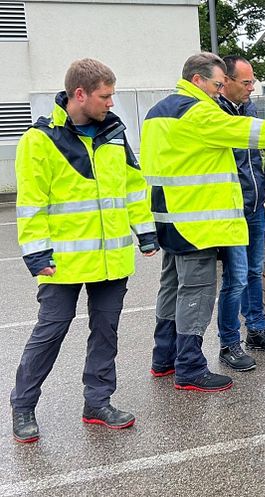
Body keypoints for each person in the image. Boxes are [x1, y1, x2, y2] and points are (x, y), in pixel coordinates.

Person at [140, 53, 265, 392]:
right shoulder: (198, 110)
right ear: (198, 81)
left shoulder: (157, 113)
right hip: (197, 223)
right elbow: (249, 132)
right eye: (217, 84)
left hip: (169, 217)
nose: (220, 92)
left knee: (171, 288)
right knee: (196, 293)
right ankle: (189, 367)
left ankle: (163, 359)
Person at [11, 58, 158, 443]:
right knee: (50, 332)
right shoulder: (40, 140)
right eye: (105, 96)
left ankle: (97, 402)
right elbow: (31, 204)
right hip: (63, 263)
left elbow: (132, 187)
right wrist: (38, 255)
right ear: (80, 94)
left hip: (112, 260)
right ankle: (23, 406)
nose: (111, 103)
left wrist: (145, 233)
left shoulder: (113, 134)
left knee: (105, 332)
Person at [215, 55, 265, 372]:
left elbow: (258, 154)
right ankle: (229, 344)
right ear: (226, 82)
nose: (252, 87)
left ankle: (256, 331)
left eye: (252, 81)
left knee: (253, 271)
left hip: (255, 206)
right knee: (234, 279)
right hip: (230, 210)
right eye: (246, 82)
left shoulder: (249, 108)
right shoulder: (213, 113)